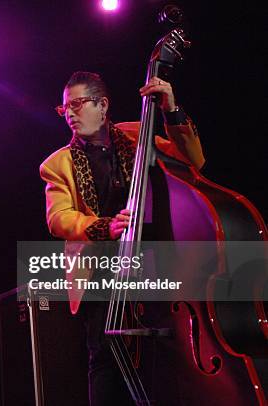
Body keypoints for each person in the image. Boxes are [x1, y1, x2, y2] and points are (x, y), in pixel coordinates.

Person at [39, 71, 204, 405]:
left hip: (155, 266)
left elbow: (193, 161)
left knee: (166, 354)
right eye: (64, 108)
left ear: (102, 105)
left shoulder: (139, 139)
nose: (69, 113)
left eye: (78, 104)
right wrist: (104, 226)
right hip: (100, 274)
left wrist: (172, 110)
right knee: (105, 361)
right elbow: (58, 219)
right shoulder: (57, 164)